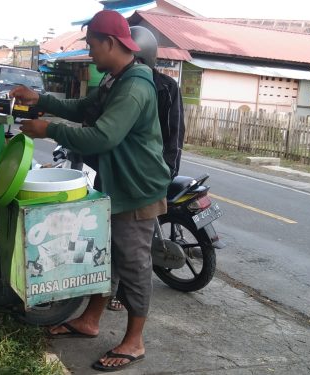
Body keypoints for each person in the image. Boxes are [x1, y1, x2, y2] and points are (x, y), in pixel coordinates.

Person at [10, 10, 170, 372]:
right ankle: (90, 320)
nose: (89, 51)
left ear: (110, 43)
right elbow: (84, 108)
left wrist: (48, 129)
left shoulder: (135, 86)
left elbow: (103, 136)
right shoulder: (116, 79)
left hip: (137, 189)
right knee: (105, 257)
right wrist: (41, 99)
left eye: (92, 43)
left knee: (133, 265)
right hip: (114, 184)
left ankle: (135, 340)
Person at [107, 25, 187, 312]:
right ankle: (108, 294)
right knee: (115, 243)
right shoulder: (115, 81)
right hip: (119, 176)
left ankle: (128, 300)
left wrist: (165, 174)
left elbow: (173, 135)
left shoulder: (162, 87)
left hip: (146, 178)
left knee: (134, 250)